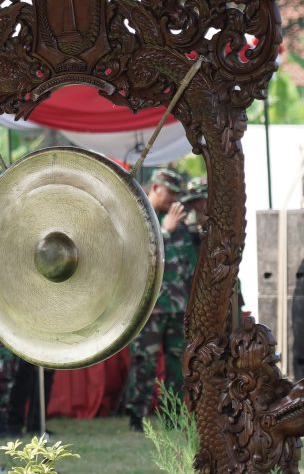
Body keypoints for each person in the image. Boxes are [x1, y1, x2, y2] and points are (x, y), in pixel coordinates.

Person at [123, 168, 196, 431]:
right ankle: (136, 415)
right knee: (144, 363)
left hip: (177, 308)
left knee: (178, 364)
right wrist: (164, 232)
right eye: (169, 193)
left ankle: (172, 413)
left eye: (177, 194)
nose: (173, 199)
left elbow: (190, 261)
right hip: (149, 309)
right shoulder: (139, 215)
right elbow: (135, 256)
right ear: (155, 188)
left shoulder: (178, 219)